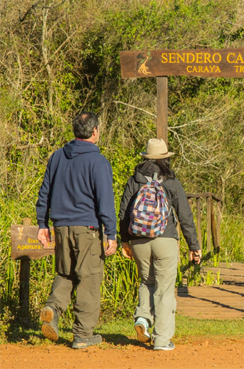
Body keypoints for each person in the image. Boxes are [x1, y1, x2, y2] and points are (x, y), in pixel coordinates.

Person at [36, 111, 118, 349]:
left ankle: (52, 308)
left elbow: (45, 193)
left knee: (65, 273)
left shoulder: (57, 157)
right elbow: (105, 202)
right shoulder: (98, 161)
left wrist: (43, 224)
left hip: (61, 227)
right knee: (88, 278)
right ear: (95, 132)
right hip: (88, 229)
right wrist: (110, 234)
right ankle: (83, 334)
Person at [119, 138, 201, 351]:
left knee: (146, 281)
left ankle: (143, 319)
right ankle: (162, 340)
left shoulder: (134, 180)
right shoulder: (171, 181)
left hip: (138, 240)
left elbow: (123, 213)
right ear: (165, 158)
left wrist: (124, 241)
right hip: (165, 239)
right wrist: (194, 246)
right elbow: (185, 215)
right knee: (164, 289)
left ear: (146, 157)